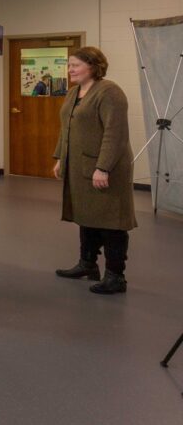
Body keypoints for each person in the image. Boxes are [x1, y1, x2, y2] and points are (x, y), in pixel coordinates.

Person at [52, 46, 135, 294]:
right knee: (86, 215)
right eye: (69, 65)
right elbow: (65, 126)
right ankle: (88, 265)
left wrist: (103, 167)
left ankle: (115, 276)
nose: (70, 70)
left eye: (75, 65)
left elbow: (115, 133)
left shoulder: (110, 92)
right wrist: (60, 158)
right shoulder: (74, 92)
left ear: (93, 66)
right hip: (79, 166)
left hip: (105, 168)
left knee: (111, 221)